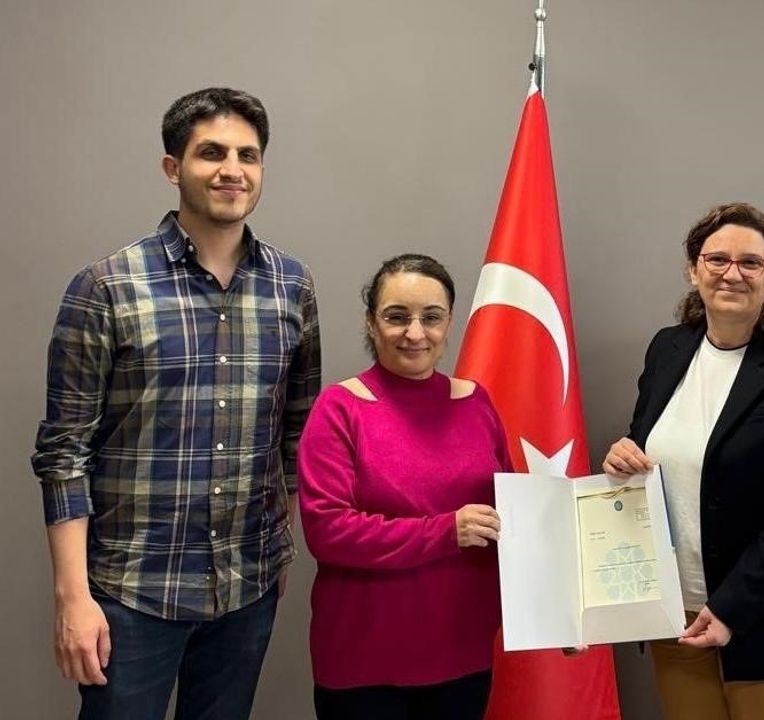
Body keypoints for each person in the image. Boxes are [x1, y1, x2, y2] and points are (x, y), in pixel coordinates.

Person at [31, 87, 321, 720]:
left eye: (248, 155)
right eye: (211, 152)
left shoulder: (292, 287)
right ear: (173, 167)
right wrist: (72, 597)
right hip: (132, 591)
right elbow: (63, 455)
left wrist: (281, 548)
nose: (232, 170)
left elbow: (297, 434)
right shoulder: (106, 287)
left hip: (247, 586)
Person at [604, 203, 764, 720]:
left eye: (750, 262)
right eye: (717, 259)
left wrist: (731, 606)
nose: (732, 273)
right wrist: (623, 456)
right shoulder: (666, 349)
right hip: (678, 614)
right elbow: (649, 447)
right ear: (694, 270)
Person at [298, 254, 511, 720]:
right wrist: (445, 532)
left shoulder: (477, 403)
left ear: (449, 322)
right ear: (371, 323)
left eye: (431, 317)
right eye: (397, 317)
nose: (415, 333)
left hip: (464, 654)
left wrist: (561, 615)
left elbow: (515, 521)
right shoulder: (339, 409)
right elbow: (328, 531)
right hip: (364, 662)